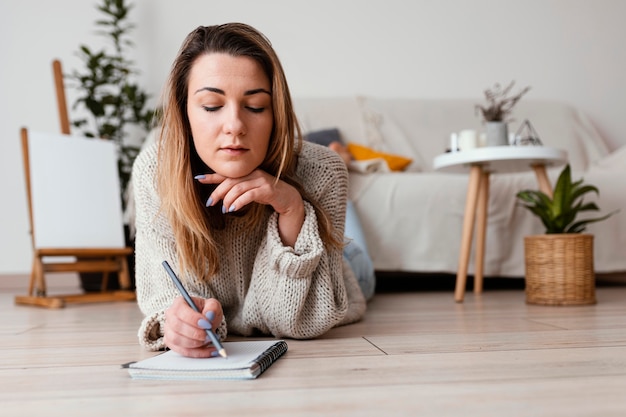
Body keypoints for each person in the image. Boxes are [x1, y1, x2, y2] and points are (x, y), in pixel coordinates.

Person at [132, 23, 370, 358]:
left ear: (276, 114)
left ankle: (344, 164)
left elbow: (296, 321)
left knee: (358, 257)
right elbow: (165, 301)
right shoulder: (154, 172)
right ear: (184, 112)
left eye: (256, 106)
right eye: (212, 105)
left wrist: (293, 209)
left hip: (343, 270)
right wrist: (179, 324)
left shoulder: (324, 171)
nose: (235, 126)